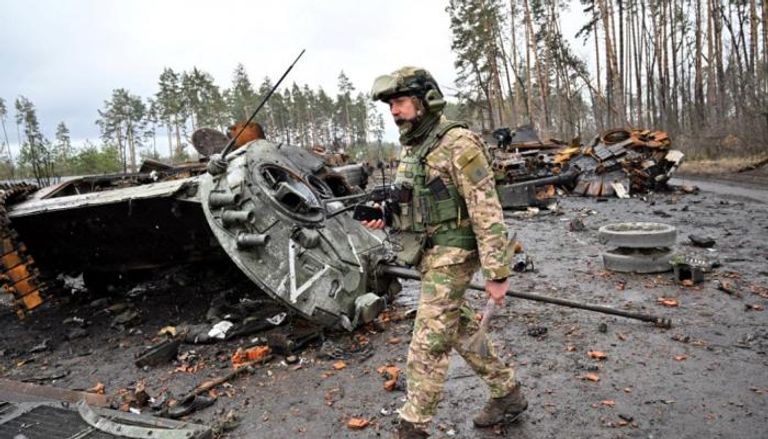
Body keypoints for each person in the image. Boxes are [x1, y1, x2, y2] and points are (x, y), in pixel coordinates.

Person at [364, 67, 527, 438]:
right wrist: (385, 213)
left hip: (454, 252)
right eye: (390, 105)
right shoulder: (414, 146)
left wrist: (497, 273)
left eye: (400, 102)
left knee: (429, 341)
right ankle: (507, 393)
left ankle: (413, 427)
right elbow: (415, 201)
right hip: (430, 251)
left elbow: (486, 209)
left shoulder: (458, 142)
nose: (394, 111)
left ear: (426, 101)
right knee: (459, 328)